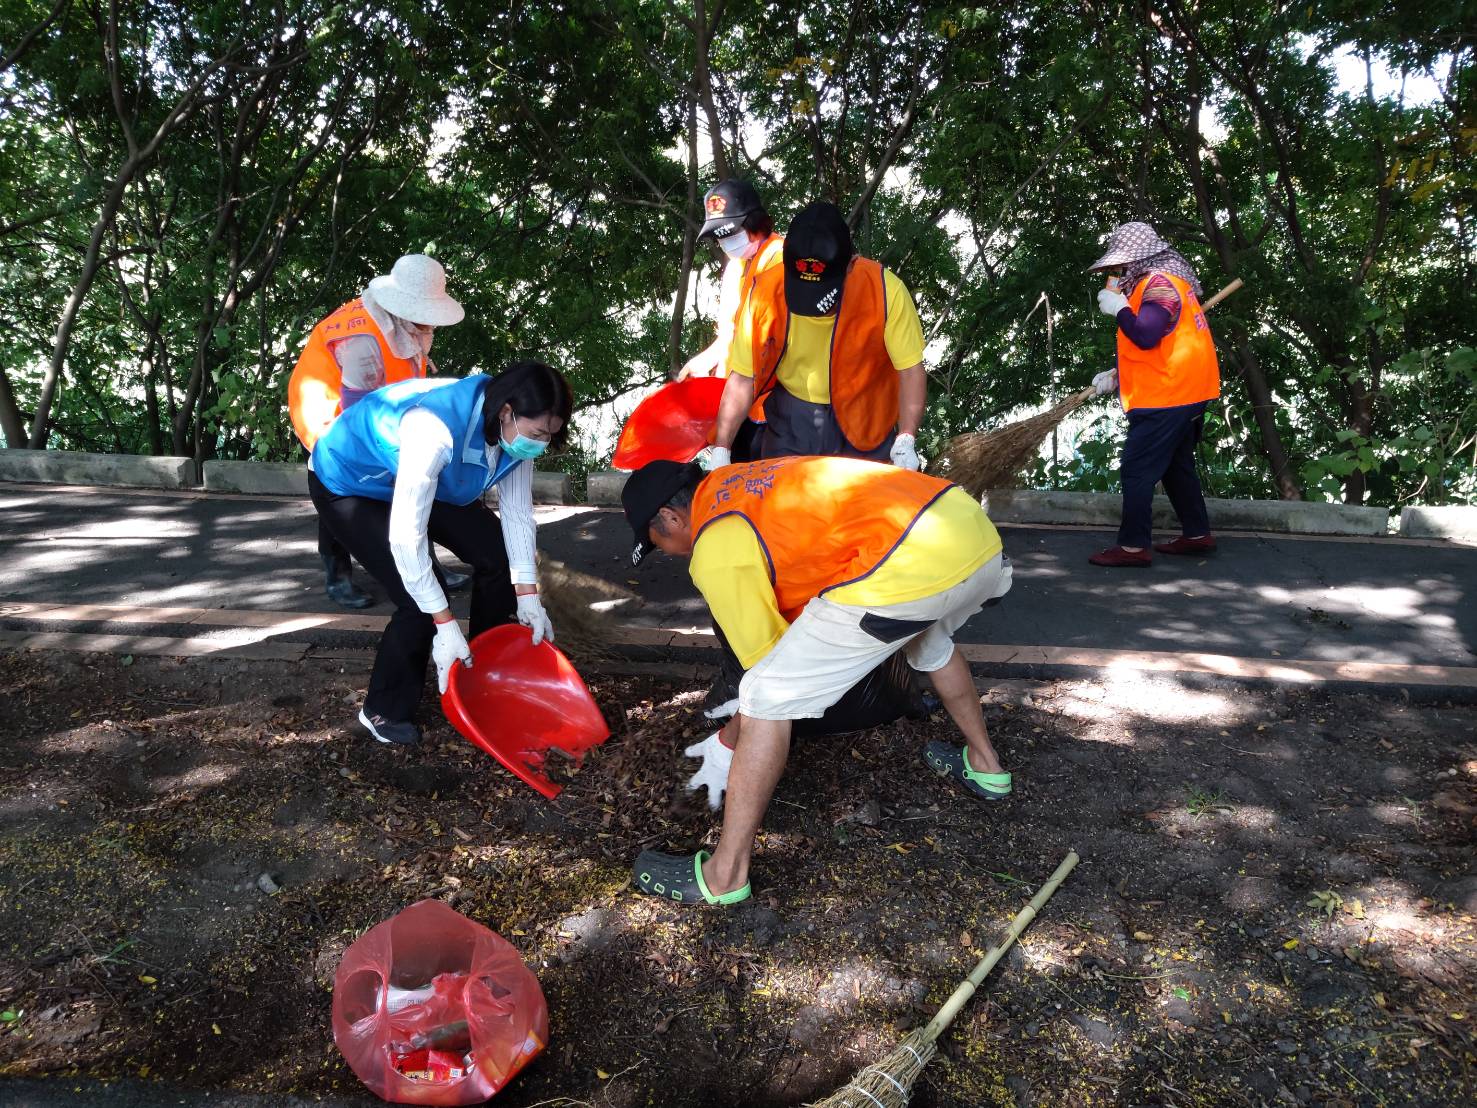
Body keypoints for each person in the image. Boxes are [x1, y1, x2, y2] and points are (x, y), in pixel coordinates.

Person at [620, 456, 1014, 907]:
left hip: (908, 561)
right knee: (928, 636)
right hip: (969, 534)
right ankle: (987, 766)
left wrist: (728, 742)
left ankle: (724, 874)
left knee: (766, 697)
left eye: (658, 542)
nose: (668, 554)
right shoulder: (739, 482)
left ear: (671, 517)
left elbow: (767, 671)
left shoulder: (716, 548)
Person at [308, 362, 573, 746]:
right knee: (418, 600)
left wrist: (529, 596)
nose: (541, 444)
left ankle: (483, 666)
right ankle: (383, 709)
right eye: (537, 433)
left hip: (423, 477)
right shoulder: (433, 428)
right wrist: (445, 624)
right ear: (506, 411)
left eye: (549, 435)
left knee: (496, 558)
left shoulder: (514, 433)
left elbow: (517, 514)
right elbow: (406, 538)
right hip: (353, 485)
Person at [288, 254, 468, 608]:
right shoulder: (362, 343)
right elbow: (358, 422)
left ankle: (425, 565)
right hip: (331, 411)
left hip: (381, 405)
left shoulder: (402, 324)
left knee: (413, 480)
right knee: (339, 483)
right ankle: (337, 574)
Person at [705, 201, 927, 469]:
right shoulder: (765, 293)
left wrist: (905, 438)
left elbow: (910, 370)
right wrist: (722, 448)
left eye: (823, 293)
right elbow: (742, 377)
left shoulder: (883, 290)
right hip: (792, 419)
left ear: (851, 265)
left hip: (867, 414)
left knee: (861, 506)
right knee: (782, 501)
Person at [1085, 222, 1221, 567]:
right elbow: (1161, 341)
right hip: (1186, 389)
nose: (1116, 272)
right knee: (1176, 466)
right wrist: (1118, 373)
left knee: (1136, 468)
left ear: (1137, 259)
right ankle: (1197, 535)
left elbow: (1145, 334)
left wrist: (1120, 310)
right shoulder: (1168, 283)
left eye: (1119, 266)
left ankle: (1132, 547)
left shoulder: (1158, 285)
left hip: (1167, 395)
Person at [678, 179, 784, 463]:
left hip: (772, 412)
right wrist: (704, 360)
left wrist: (723, 442)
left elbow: (760, 354)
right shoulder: (736, 267)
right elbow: (732, 336)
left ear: (756, 224)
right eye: (720, 237)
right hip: (737, 409)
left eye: (731, 233)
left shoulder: (781, 265)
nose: (726, 243)